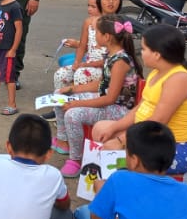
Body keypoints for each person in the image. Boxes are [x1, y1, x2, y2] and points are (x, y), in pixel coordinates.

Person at [92, 24, 187, 179]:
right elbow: (141, 107)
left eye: (144, 49)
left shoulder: (179, 79)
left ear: (157, 54)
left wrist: (120, 140)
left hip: (171, 148)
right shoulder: (157, 73)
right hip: (151, 139)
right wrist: (115, 127)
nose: (141, 53)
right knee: (101, 129)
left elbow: (157, 122)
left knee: (112, 154)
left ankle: (122, 192)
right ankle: (113, 188)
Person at [53, 15, 142, 178]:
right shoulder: (110, 55)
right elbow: (101, 84)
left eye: (96, 32)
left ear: (106, 37)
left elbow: (110, 98)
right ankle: (64, 140)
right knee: (59, 97)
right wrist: (73, 89)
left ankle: (76, 160)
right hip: (107, 102)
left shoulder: (120, 61)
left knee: (73, 114)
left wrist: (77, 104)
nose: (94, 36)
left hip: (119, 109)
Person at [54, 0, 123, 93]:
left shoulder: (120, 25)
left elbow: (116, 58)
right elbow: (82, 46)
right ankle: (59, 107)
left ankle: (78, 106)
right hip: (87, 64)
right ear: (100, 1)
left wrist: (86, 65)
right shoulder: (89, 22)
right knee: (60, 74)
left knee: (81, 74)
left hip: (106, 67)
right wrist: (76, 63)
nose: (111, 2)